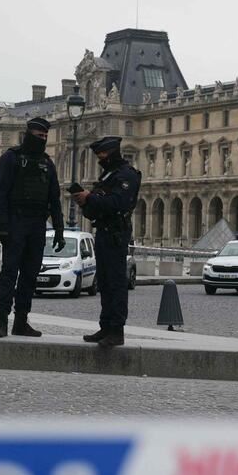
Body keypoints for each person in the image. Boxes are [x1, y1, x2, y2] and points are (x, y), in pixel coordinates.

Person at [0, 117, 63, 337]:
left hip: (37, 225)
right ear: (28, 134)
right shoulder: (11, 158)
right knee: (9, 273)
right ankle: (1, 320)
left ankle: (21, 320)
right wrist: (3, 226)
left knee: (30, 275)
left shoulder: (47, 163)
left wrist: (59, 229)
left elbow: (55, 199)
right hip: (16, 222)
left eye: (45, 137)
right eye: (39, 135)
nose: (42, 139)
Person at [73, 136, 141, 347]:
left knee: (116, 282)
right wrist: (85, 202)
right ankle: (105, 326)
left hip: (116, 233)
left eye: (102, 154)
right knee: (103, 281)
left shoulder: (126, 175)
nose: (100, 158)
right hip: (103, 231)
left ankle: (117, 329)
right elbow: (98, 208)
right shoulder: (109, 175)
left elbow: (118, 202)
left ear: (112, 152)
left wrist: (91, 198)